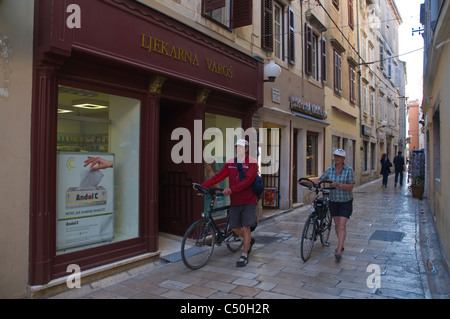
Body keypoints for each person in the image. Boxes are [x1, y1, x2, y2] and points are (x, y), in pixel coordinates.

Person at [194, 139, 257, 267]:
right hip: (235, 201)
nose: (238, 149)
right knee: (234, 227)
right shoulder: (231, 163)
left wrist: (231, 190)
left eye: (241, 147)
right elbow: (219, 176)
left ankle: (244, 254)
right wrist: (203, 186)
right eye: (236, 147)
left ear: (246, 149)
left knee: (246, 227)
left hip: (248, 200)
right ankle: (248, 240)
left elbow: (248, 181)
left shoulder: (252, 163)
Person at [299, 149, 355, 261]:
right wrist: (306, 182)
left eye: (339, 157)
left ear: (343, 159)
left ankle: (339, 249)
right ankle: (341, 243)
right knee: (337, 224)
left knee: (342, 225)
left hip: (345, 201)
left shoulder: (348, 170)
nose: (336, 158)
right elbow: (319, 180)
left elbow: (351, 186)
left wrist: (339, 185)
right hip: (333, 201)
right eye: (335, 156)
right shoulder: (330, 170)